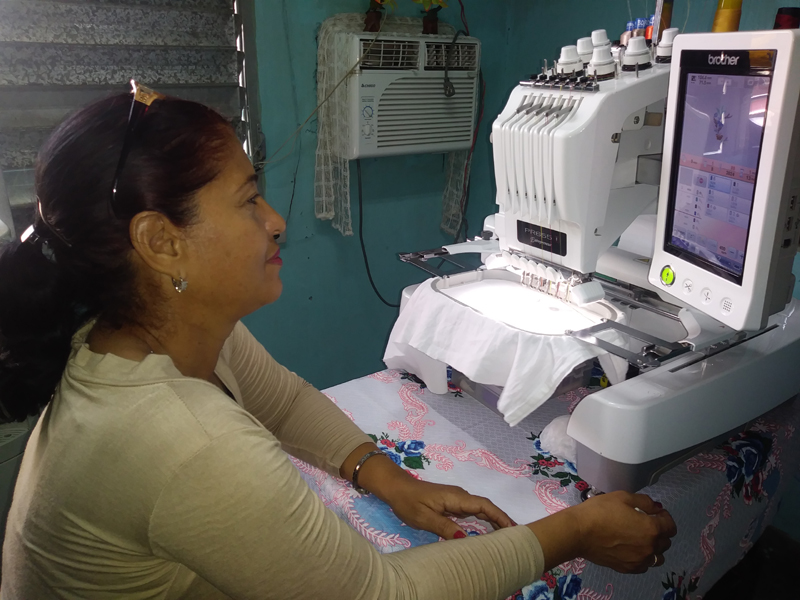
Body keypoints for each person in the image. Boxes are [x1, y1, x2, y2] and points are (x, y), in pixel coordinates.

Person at [0, 86, 676, 599]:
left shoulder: (144, 329)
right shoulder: (181, 440)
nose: (276, 221)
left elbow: (282, 400)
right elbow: (385, 594)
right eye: (247, 201)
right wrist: (574, 531)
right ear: (161, 242)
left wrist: (386, 477)